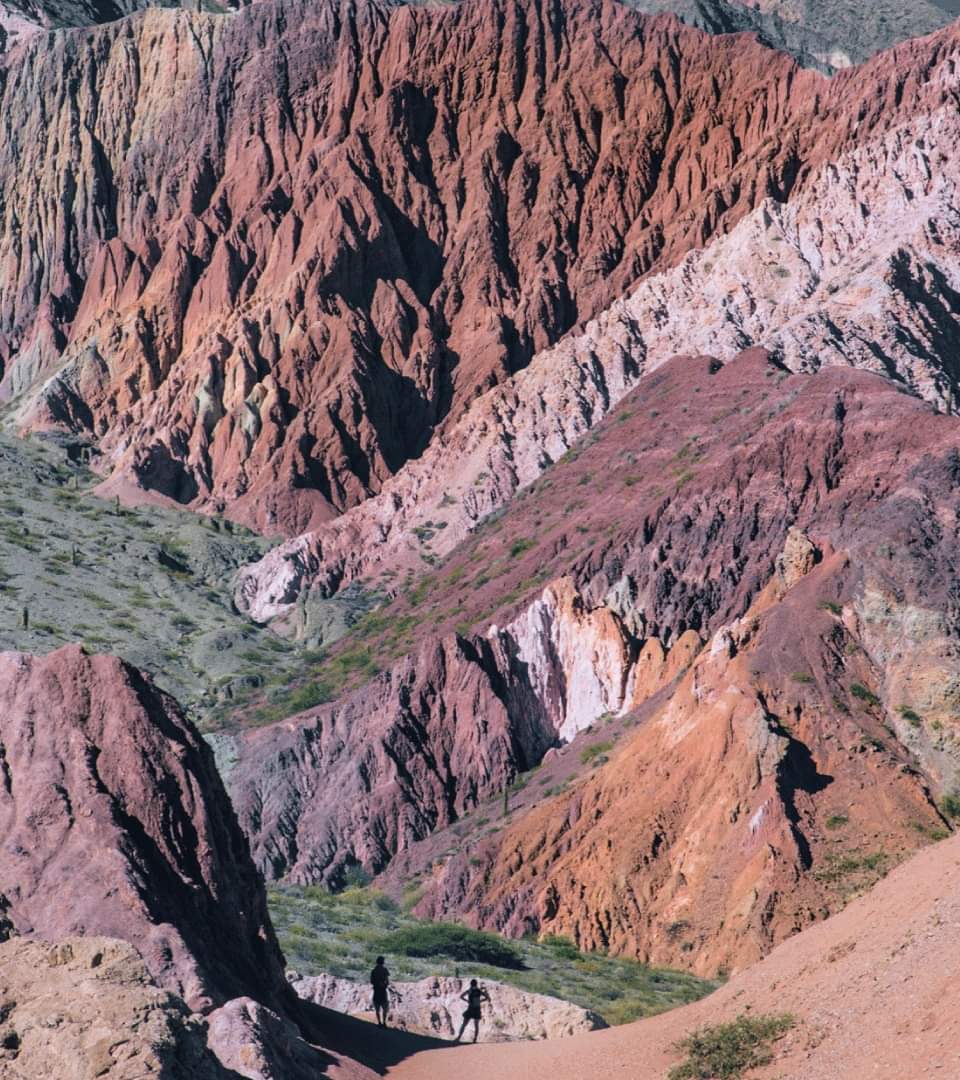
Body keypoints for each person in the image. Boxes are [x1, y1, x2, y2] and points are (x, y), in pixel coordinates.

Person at [455, 979, 491, 1043]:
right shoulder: (479, 991)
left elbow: (461, 996)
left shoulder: (469, 991)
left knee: (464, 1024)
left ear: (471, 984)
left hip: (471, 1008)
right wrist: (480, 1001)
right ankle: (475, 1039)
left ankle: (458, 1037)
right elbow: (487, 998)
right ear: (476, 984)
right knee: (476, 1025)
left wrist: (467, 1001)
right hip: (477, 1008)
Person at [370, 956, 391, 1027]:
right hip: (383, 990)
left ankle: (379, 1022)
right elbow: (387, 981)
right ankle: (384, 1022)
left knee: (377, 1008)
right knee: (385, 1007)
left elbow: (371, 981)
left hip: (376, 990)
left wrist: (377, 983)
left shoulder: (373, 971)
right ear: (383, 962)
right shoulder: (385, 970)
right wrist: (383, 984)